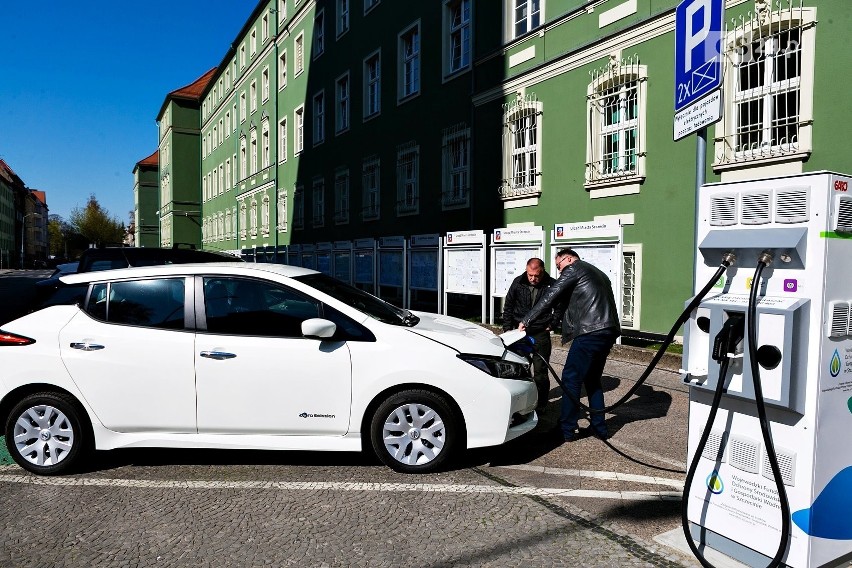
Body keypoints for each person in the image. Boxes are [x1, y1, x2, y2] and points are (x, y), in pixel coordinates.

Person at [519, 248, 621, 442]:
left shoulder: (573, 269)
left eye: (558, 265)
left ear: (567, 259)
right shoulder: (598, 273)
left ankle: (567, 429)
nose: (559, 271)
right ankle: (600, 428)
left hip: (590, 331)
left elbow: (551, 295)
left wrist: (528, 319)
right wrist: (555, 322)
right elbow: (571, 301)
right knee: (592, 379)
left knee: (570, 378)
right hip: (608, 330)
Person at [502, 258, 559, 410]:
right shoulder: (518, 282)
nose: (533, 278)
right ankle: (520, 403)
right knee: (518, 368)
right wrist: (508, 329)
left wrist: (553, 323)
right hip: (519, 332)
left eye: (536, 275)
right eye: (530, 275)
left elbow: (560, 307)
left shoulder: (552, 284)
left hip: (540, 332)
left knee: (540, 371)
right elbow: (508, 306)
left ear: (543, 271)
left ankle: (541, 405)